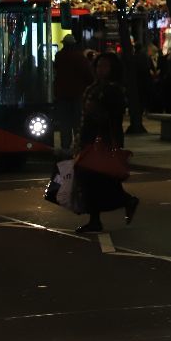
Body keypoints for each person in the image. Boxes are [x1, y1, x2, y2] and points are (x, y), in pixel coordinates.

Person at [74, 52, 139, 233]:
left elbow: (113, 118)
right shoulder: (94, 87)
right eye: (98, 66)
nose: (100, 69)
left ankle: (98, 217)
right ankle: (121, 203)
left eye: (105, 66)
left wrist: (96, 113)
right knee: (99, 179)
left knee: (96, 178)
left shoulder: (113, 90)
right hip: (90, 139)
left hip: (102, 140)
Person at [53, 34, 93, 152]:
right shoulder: (80, 57)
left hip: (62, 95)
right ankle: (78, 144)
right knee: (77, 122)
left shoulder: (59, 56)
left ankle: (65, 145)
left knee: (64, 122)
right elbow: (88, 75)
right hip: (77, 94)